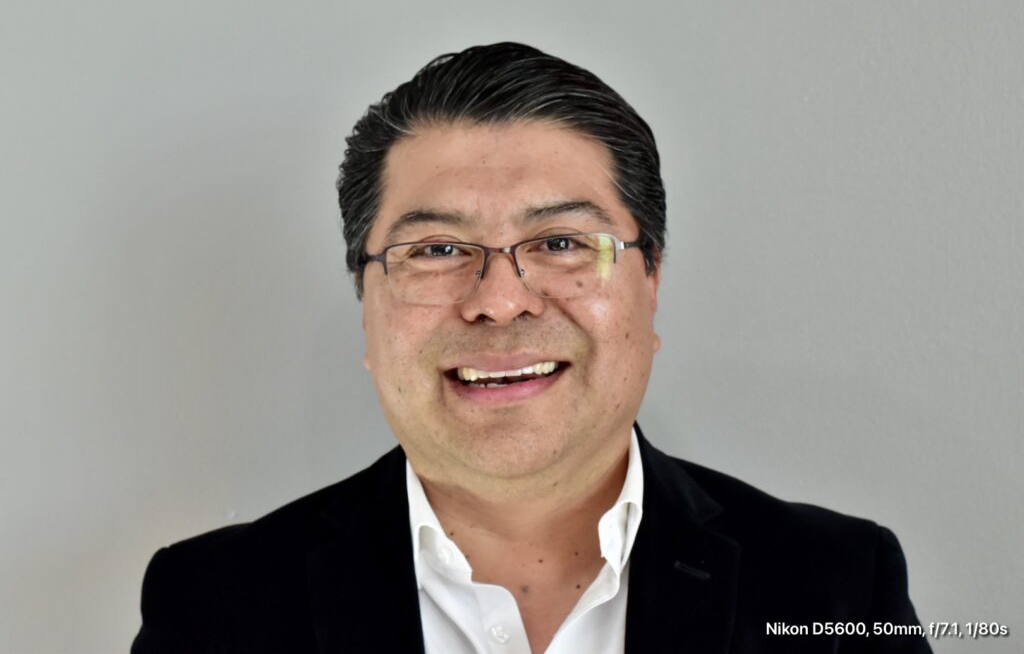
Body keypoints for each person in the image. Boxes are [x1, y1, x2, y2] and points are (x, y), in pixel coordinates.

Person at [133, 42, 930, 653]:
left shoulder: (835, 587)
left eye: (559, 242)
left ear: (651, 278)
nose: (499, 299)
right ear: (365, 301)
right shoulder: (210, 606)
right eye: (437, 249)